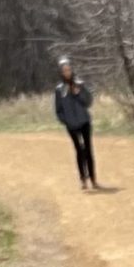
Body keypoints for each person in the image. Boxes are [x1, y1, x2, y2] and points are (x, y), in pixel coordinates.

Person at [54, 59, 98, 192]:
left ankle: (93, 178)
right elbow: (58, 109)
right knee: (79, 150)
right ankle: (83, 179)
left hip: (84, 122)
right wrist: (65, 121)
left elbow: (88, 102)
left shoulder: (80, 84)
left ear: (72, 70)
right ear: (61, 72)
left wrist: (78, 94)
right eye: (64, 70)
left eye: (69, 69)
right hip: (71, 125)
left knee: (88, 150)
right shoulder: (59, 90)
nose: (67, 72)